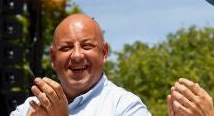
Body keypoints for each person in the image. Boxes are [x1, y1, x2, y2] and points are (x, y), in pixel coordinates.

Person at [10, 14, 151, 116]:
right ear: (53, 57)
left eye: (87, 46)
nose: (77, 55)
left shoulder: (126, 107)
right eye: (66, 48)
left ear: (104, 53)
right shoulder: (28, 109)